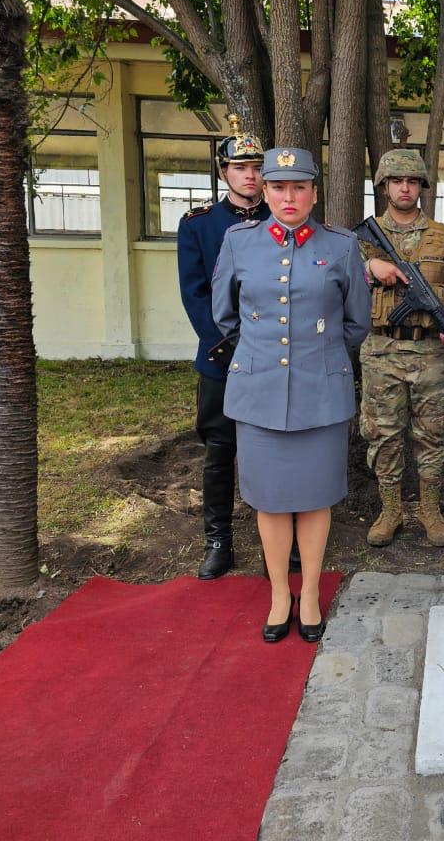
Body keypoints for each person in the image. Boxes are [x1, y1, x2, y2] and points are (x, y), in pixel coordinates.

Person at [211, 147, 371, 641]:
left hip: (320, 394)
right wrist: (264, 358)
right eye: (278, 187)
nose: (288, 196)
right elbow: (225, 317)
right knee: (272, 501)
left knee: (315, 498)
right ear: (264, 190)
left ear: (314, 193)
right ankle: (281, 592)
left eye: (298, 187)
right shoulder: (239, 242)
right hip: (258, 394)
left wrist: (315, 357)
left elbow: (356, 323)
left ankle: (310, 593)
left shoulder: (342, 246)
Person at [360, 149, 444, 549]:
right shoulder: (366, 238)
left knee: (433, 433)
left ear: (421, 187)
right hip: (381, 352)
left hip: (430, 355)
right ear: (385, 186)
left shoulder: (441, 236)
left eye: (411, 182)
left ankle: (429, 509)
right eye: (396, 181)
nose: (404, 188)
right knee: (383, 433)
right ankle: (390, 511)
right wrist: (369, 268)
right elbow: (336, 278)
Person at [176, 117, 267, 579]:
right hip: (221, 358)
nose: (249, 175)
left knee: (272, 447)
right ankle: (218, 541)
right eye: (239, 167)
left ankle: (280, 540)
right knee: (219, 448)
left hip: (272, 357)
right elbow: (195, 294)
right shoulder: (199, 225)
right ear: (223, 173)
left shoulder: (280, 223)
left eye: (255, 166)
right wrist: (225, 346)